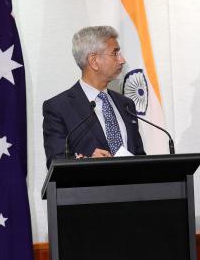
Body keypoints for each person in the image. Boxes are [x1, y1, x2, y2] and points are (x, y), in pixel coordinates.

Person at [43, 26, 145, 168]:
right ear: (93, 61)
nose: (122, 60)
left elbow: (140, 156)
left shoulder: (126, 105)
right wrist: (88, 161)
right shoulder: (59, 108)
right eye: (115, 53)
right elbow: (56, 160)